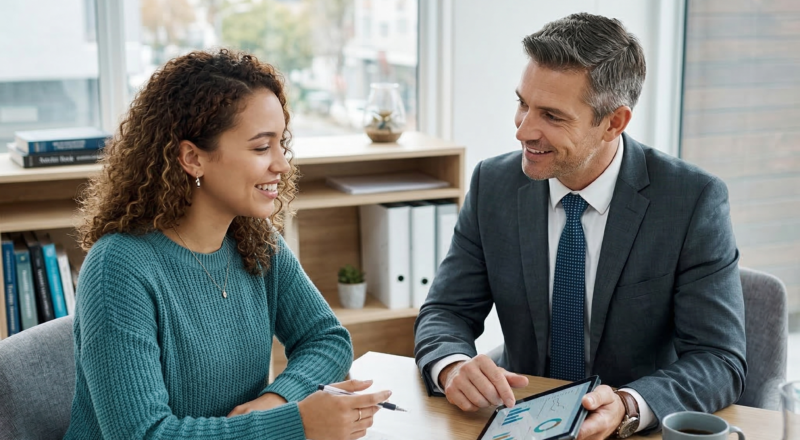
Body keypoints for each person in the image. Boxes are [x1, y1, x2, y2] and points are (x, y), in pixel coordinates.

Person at [414, 12, 746, 440]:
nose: (523, 131)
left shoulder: (691, 201)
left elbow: (719, 359)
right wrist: (453, 366)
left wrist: (628, 405)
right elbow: (446, 310)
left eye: (551, 116)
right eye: (523, 103)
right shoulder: (492, 184)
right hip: (522, 422)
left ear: (614, 123)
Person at [64, 49, 390, 440]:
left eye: (280, 143)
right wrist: (297, 424)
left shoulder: (254, 239)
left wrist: (278, 400)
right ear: (192, 158)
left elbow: (328, 340)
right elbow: (144, 435)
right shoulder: (118, 266)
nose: (282, 165)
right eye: (259, 147)